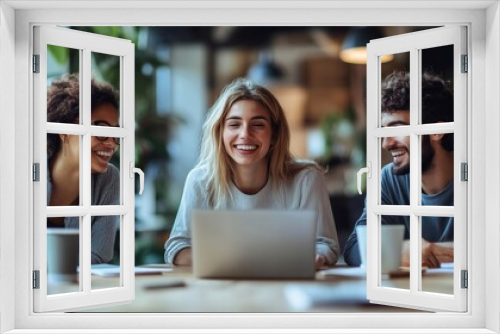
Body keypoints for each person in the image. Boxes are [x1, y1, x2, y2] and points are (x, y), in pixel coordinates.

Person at [164, 78, 339, 269]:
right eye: (234, 124)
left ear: (274, 134)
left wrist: (316, 257)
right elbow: (177, 248)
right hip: (221, 290)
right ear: (220, 132)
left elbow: (325, 245)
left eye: (258, 125)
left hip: (286, 286)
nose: (245, 134)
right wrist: (246, 260)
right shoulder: (200, 180)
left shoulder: (306, 179)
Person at [343, 71, 454, 268]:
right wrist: (400, 249)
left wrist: (433, 252)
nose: (386, 143)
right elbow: (353, 249)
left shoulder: (482, 176)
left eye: (398, 129)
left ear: (437, 131)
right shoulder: (388, 179)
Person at [47, 74, 120, 264]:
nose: (112, 143)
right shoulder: (26, 172)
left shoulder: (108, 179)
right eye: (102, 130)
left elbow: (98, 255)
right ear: (65, 130)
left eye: (116, 133)